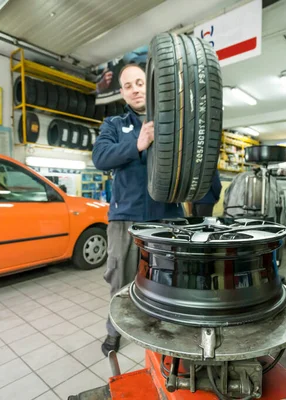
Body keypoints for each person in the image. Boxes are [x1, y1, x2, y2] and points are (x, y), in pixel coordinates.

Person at [92, 63, 184, 356]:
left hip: (167, 216)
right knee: (120, 278)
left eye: (139, 82)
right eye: (128, 85)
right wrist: (138, 143)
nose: (135, 89)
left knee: (167, 278)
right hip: (125, 218)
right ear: (122, 93)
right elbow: (101, 156)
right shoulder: (114, 126)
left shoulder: (171, 122)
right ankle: (114, 331)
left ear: (150, 85)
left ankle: (160, 329)